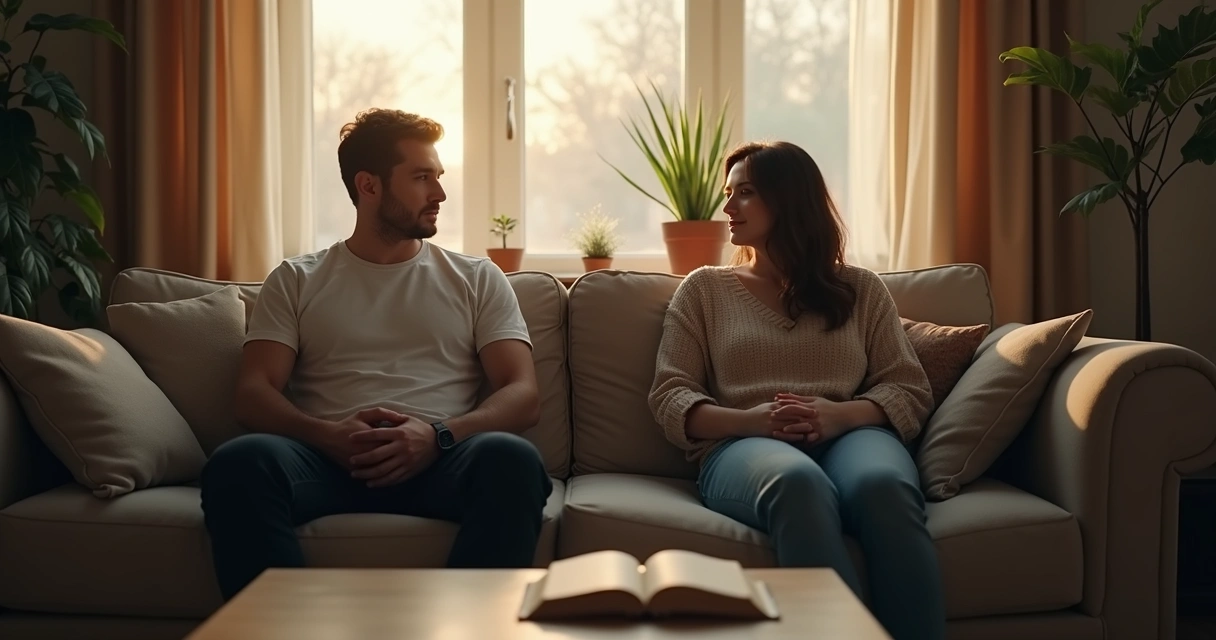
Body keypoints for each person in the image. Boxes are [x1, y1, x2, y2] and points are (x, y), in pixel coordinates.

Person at [200, 108, 552, 600]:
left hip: (442, 459)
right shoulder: (297, 279)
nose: (440, 194)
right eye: (422, 177)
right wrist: (326, 437)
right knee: (238, 463)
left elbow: (523, 395)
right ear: (369, 186)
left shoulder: (476, 278)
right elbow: (253, 394)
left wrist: (438, 436)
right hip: (327, 462)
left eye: (439, 177)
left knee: (512, 460)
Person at [647, 140, 943, 639]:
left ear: (788, 199)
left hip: (852, 436)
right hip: (742, 444)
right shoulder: (704, 289)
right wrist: (752, 420)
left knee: (884, 488)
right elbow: (670, 394)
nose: (727, 208)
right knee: (797, 484)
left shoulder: (861, 288)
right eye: (728, 193)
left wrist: (840, 414)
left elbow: (908, 387)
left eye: (744, 193)